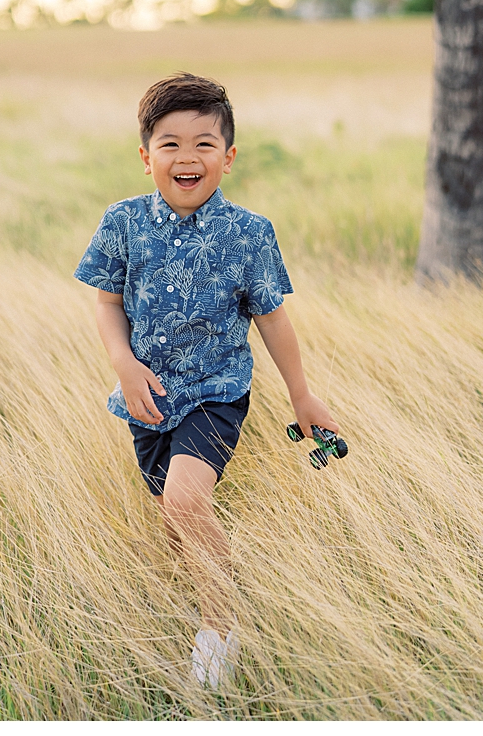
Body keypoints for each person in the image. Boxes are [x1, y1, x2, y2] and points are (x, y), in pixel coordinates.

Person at [73, 72, 340, 689]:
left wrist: (302, 394)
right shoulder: (123, 223)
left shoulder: (250, 233)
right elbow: (107, 302)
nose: (186, 157)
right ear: (146, 158)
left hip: (218, 394)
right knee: (174, 518)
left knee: (188, 500)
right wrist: (123, 362)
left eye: (203, 144)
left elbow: (273, 320)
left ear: (228, 157)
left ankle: (220, 631)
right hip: (148, 397)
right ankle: (193, 595)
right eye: (169, 144)